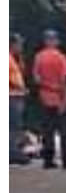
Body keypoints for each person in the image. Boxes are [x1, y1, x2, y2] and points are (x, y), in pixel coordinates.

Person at [32, 30, 66, 170]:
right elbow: (63, 80)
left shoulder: (39, 57)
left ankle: (48, 160)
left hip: (45, 97)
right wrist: (64, 98)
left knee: (48, 131)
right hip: (59, 97)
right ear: (56, 41)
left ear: (45, 41)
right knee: (64, 131)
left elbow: (36, 79)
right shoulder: (61, 57)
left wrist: (46, 86)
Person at [9, 34, 30, 166]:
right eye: (19, 44)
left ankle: (14, 151)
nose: (21, 47)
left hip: (16, 95)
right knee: (13, 126)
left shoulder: (14, 58)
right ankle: (12, 153)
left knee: (16, 125)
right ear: (12, 44)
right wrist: (18, 87)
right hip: (11, 96)